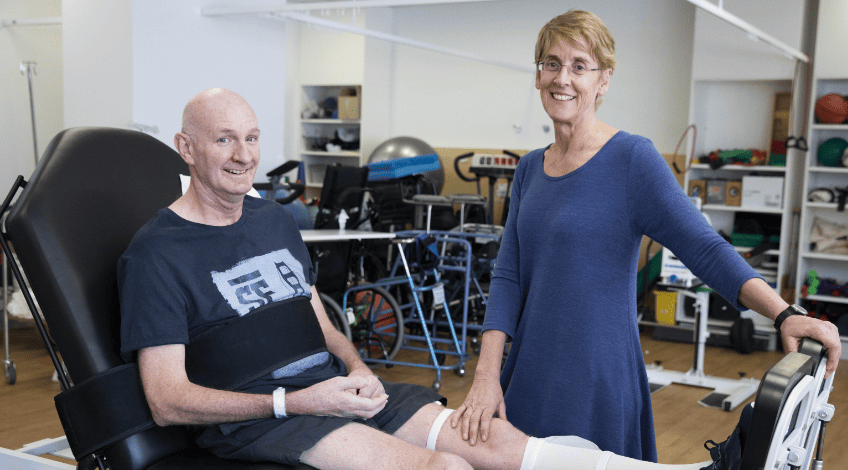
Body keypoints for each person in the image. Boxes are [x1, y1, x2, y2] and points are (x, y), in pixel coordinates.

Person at [117, 87, 729, 470]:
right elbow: (167, 401)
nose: (244, 155)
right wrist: (298, 399)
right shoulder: (156, 254)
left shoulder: (274, 220)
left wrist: (356, 366)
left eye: (250, 138)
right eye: (224, 139)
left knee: (495, 443)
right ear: (186, 148)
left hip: (333, 390)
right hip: (268, 420)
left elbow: (314, 313)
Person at [449, 10, 842, 462]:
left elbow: (705, 247)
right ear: (538, 76)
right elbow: (508, 276)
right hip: (531, 371)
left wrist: (783, 314)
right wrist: (486, 374)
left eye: (580, 65)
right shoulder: (527, 170)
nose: (563, 78)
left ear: (604, 80)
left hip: (598, 376)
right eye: (551, 63)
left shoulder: (632, 158)